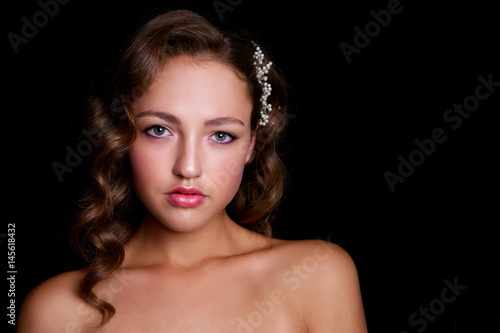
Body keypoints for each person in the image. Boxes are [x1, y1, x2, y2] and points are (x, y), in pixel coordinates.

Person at [17, 9, 367, 332]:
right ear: (121, 135)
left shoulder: (317, 275)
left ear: (251, 145)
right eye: (159, 130)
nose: (188, 167)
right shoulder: (57, 310)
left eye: (220, 135)